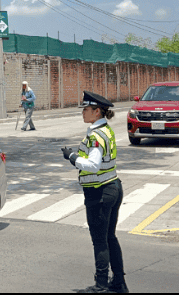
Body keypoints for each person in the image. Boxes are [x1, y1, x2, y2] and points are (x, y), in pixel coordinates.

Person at [61, 91, 127, 293]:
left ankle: (101, 285)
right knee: (109, 238)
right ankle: (118, 283)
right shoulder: (105, 130)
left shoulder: (96, 135)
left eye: (86, 109)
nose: (83, 112)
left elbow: (93, 165)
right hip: (112, 186)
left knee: (100, 240)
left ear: (97, 111)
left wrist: (72, 157)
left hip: (99, 193)